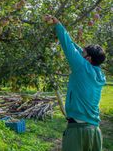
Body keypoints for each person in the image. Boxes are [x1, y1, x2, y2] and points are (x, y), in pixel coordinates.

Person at [44, 15, 106, 151]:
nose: (79, 54)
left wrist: (58, 24)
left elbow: (68, 47)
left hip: (78, 132)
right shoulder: (99, 74)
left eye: (83, 54)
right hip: (94, 131)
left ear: (88, 58)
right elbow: (76, 49)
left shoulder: (82, 67)